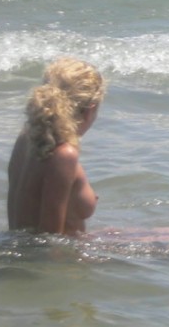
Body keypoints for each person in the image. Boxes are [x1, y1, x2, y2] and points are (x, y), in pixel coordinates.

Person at [7, 57, 106, 235]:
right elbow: (50, 241)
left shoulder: (28, 137)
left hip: (28, 250)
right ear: (90, 109)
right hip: (59, 258)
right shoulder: (64, 155)